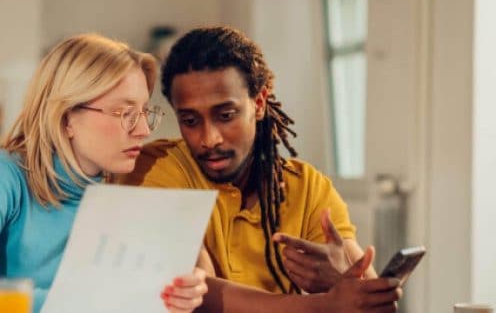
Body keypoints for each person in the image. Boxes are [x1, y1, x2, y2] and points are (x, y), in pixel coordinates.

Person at [120, 26, 402, 312]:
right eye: (191, 121)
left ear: (259, 103)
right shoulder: (156, 169)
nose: (209, 139)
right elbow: (197, 291)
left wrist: (340, 277)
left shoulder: (307, 187)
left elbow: (371, 302)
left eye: (226, 115)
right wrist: (322, 305)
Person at [0, 34, 207, 313]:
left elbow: (182, 271)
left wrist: (186, 290)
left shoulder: (124, 190)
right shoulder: (8, 176)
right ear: (65, 118)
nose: (144, 130)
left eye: (144, 111)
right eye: (124, 113)